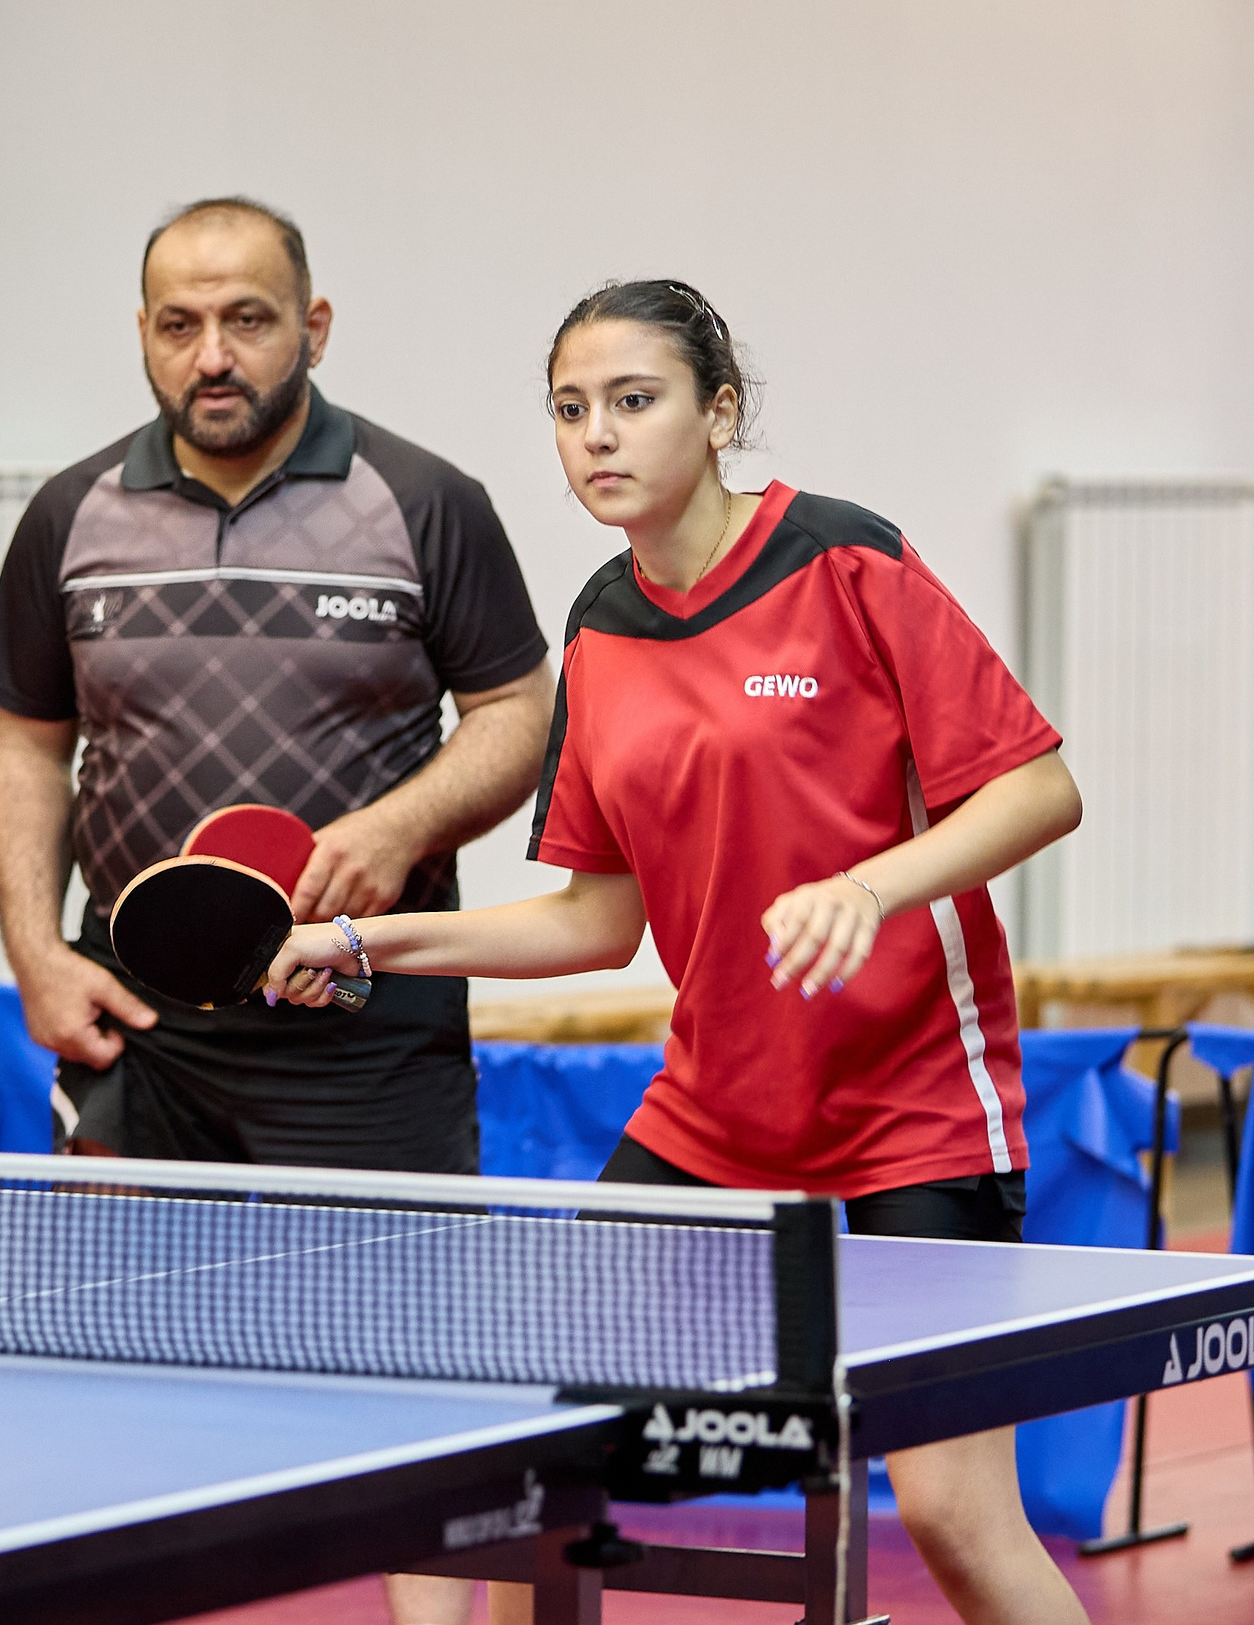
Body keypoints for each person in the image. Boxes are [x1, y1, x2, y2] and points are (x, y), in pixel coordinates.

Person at [262, 280, 1092, 1625]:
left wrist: (868, 888)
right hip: (716, 1114)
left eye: (632, 401)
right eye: (571, 410)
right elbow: (597, 918)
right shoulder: (599, 628)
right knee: (480, 1434)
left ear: (719, 412)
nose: (597, 436)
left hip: (915, 1106)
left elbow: (1040, 789)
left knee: (950, 1510)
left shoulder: (846, 561)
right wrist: (371, 939)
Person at [0, 195, 554, 1178]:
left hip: (366, 1006)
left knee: (383, 1324)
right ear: (144, 334)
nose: (211, 357)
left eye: (247, 319)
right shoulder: (69, 514)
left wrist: (400, 827)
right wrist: (34, 952)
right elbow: (25, 745)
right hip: (140, 1017)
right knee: (112, 1325)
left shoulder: (425, 502)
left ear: (312, 329)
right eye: (178, 325)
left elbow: (519, 713)